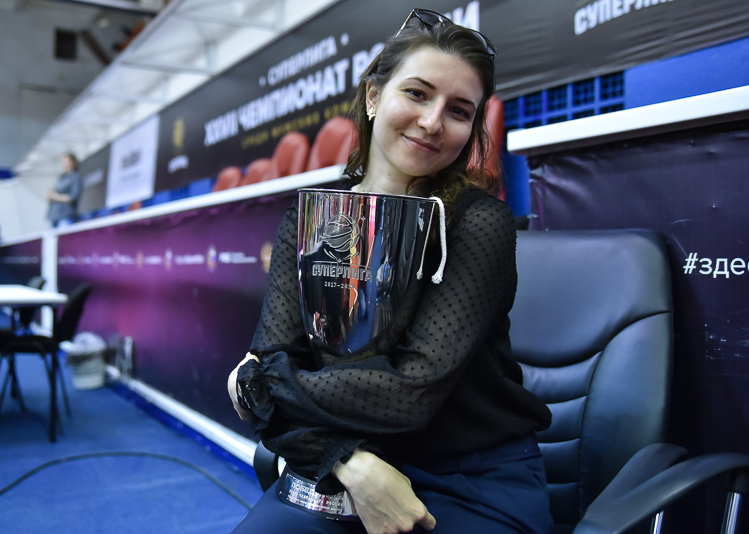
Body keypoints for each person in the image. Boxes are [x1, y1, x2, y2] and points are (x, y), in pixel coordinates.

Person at [228, 10, 553, 534]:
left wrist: (259, 384)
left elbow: (408, 393)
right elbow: (277, 354)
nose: (432, 121)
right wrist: (347, 462)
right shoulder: (311, 217)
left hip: (469, 478)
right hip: (343, 460)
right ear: (374, 96)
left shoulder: (478, 223)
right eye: (417, 93)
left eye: (459, 111)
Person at [47, 153, 82, 228]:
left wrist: (56, 197)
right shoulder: (61, 177)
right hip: (54, 215)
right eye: (63, 162)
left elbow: (72, 197)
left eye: (66, 162)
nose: (64, 164)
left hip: (65, 215)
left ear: (72, 162)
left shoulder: (75, 178)